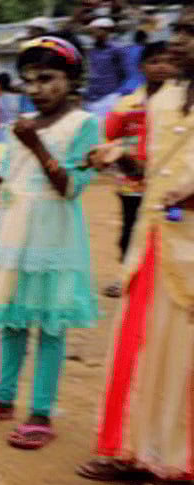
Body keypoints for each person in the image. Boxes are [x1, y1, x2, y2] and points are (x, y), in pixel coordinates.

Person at [75, 6, 194, 485]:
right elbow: (157, 176)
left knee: (182, 366)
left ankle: (178, 475)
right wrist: (120, 158)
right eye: (181, 28)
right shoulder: (167, 98)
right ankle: (141, 451)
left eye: (191, 30)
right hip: (156, 245)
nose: (178, 39)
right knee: (145, 352)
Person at [0, 34, 100, 450]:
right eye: (28, 81)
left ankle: (41, 412)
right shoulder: (23, 123)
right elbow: (11, 173)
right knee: (13, 318)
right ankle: (2, 398)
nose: (35, 89)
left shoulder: (83, 125)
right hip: (14, 231)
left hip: (53, 238)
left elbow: (70, 187)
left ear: (70, 79)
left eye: (46, 79)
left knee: (50, 325)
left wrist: (35, 144)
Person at [98, 41, 177, 298]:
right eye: (155, 62)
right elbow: (110, 134)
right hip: (133, 180)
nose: (162, 67)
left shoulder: (183, 104)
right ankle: (125, 277)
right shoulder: (128, 104)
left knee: (169, 230)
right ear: (142, 67)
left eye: (167, 61)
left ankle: (164, 283)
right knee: (131, 231)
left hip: (170, 181)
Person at [84, 17, 128, 122]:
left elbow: (123, 73)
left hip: (109, 97)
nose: (95, 33)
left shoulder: (116, 50)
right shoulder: (90, 50)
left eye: (99, 29)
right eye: (93, 30)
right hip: (91, 97)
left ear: (107, 31)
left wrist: (117, 93)